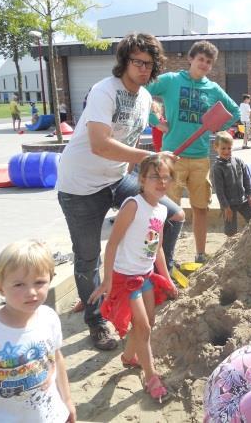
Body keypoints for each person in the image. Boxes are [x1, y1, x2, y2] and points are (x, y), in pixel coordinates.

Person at [56, 33, 185, 351]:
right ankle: (97, 320)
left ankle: (154, 281)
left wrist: (154, 166)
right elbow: (100, 144)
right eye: (137, 61)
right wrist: (149, 158)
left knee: (172, 215)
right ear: (124, 61)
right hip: (80, 186)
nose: (143, 68)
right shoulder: (104, 91)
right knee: (88, 259)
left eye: (149, 64)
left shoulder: (144, 99)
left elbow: (128, 142)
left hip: (115, 179)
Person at [88, 154, 178, 403]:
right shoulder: (133, 205)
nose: (161, 182)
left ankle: (129, 357)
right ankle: (151, 377)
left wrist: (167, 278)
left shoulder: (161, 209)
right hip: (126, 278)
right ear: (141, 179)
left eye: (165, 177)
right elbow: (112, 243)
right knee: (145, 327)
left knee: (147, 321)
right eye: (154, 177)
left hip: (146, 275)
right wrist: (107, 279)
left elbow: (157, 247)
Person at [146, 40, 240, 264]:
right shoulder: (171, 81)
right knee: (166, 210)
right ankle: (165, 258)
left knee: (200, 208)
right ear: (191, 59)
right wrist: (155, 121)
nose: (204, 64)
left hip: (200, 158)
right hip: (172, 157)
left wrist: (217, 126)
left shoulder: (213, 88)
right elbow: (141, 91)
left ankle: (199, 254)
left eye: (209, 62)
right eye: (201, 59)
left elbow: (235, 111)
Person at [0, 240, 75, 422]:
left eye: (39, 282)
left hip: (51, 415)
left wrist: (67, 400)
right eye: (19, 284)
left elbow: (57, 358)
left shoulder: (49, 317)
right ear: (0, 288)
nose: (31, 292)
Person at [210, 131, 251, 236]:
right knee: (231, 230)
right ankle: (231, 248)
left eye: (229, 148)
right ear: (216, 148)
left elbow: (247, 179)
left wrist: (250, 196)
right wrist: (225, 207)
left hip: (243, 200)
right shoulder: (217, 168)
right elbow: (219, 190)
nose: (227, 151)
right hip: (229, 204)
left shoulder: (239, 161)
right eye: (223, 148)